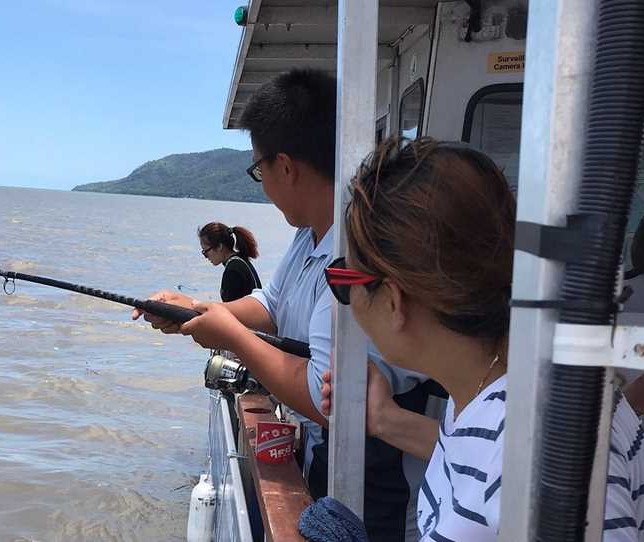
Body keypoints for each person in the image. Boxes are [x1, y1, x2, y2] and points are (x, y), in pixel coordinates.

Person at [134, 69, 427, 542]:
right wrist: (192, 307)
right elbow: (271, 304)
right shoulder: (308, 235)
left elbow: (326, 397)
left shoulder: (357, 257)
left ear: (285, 167)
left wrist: (230, 337)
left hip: (377, 505)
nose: (262, 183)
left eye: (259, 169)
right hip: (326, 468)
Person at [321, 136, 644, 540]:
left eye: (343, 280)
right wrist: (385, 419)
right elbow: (480, 464)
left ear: (392, 300)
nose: (343, 298)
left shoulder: (535, 439)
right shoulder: (497, 394)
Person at [198, 222, 261, 302]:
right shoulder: (240, 260)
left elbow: (230, 308)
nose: (206, 257)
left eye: (205, 251)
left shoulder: (233, 269)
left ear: (219, 247)